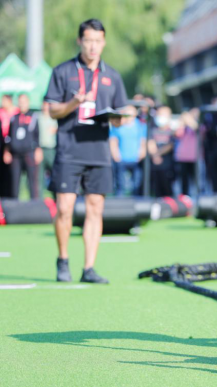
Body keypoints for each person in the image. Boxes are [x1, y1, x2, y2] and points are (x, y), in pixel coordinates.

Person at [44, 19, 127, 284]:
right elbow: (51, 109)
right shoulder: (63, 71)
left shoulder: (112, 75)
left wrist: (118, 118)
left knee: (95, 209)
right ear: (80, 40)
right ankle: (63, 260)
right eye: (88, 40)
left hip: (99, 151)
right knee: (65, 208)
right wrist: (72, 103)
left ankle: (89, 267)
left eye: (98, 41)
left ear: (103, 42)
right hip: (69, 149)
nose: (93, 46)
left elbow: (121, 112)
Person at [3, 94, 42, 199]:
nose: (22, 104)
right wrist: (7, 151)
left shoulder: (33, 116)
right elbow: (9, 136)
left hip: (29, 153)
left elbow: (37, 135)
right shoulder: (14, 118)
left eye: (24, 101)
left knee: (32, 181)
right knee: (15, 181)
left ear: (28, 102)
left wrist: (38, 150)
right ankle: (14, 205)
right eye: (20, 102)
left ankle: (34, 204)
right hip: (15, 154)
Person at [109, 105, 146, 196]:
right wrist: (116, 155)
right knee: (120, 183)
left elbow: (143, 142)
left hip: (136, 159)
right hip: (121, 159)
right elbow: (113, 141)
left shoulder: (140, 126)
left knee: (137, 183)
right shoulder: (118, 126)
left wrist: (141, 153)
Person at [148, 106, 175, 197]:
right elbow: (150, 142)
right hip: (155, 165)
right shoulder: (151, 130)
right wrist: (155, 155)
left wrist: (158, 154)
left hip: (168, 165)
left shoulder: (172, 131)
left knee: (167, 187)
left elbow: (171, 145)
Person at [173, 109, 199, 196]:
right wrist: (182, 122)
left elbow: (197, 129)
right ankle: (184, 197)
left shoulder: (199, 125)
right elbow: (176, 134)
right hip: (182, 157)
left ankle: (197, 197)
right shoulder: (183, 127)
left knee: (196, 180)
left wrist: (189, 121)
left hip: (195, 158)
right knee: (183, 180)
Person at [0, 94, 20, 197]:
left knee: (12, 173)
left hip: (14, 144)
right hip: (2, 143)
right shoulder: (1, 112)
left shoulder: (16, 112)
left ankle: (11, 195)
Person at [38, 101, 58, 191]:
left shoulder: (55, 117)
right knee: (39, 176)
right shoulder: (38, 117)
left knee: (55, 173)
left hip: (51, 149)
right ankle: (38, 200)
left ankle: (55, 196)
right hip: (40, 149)